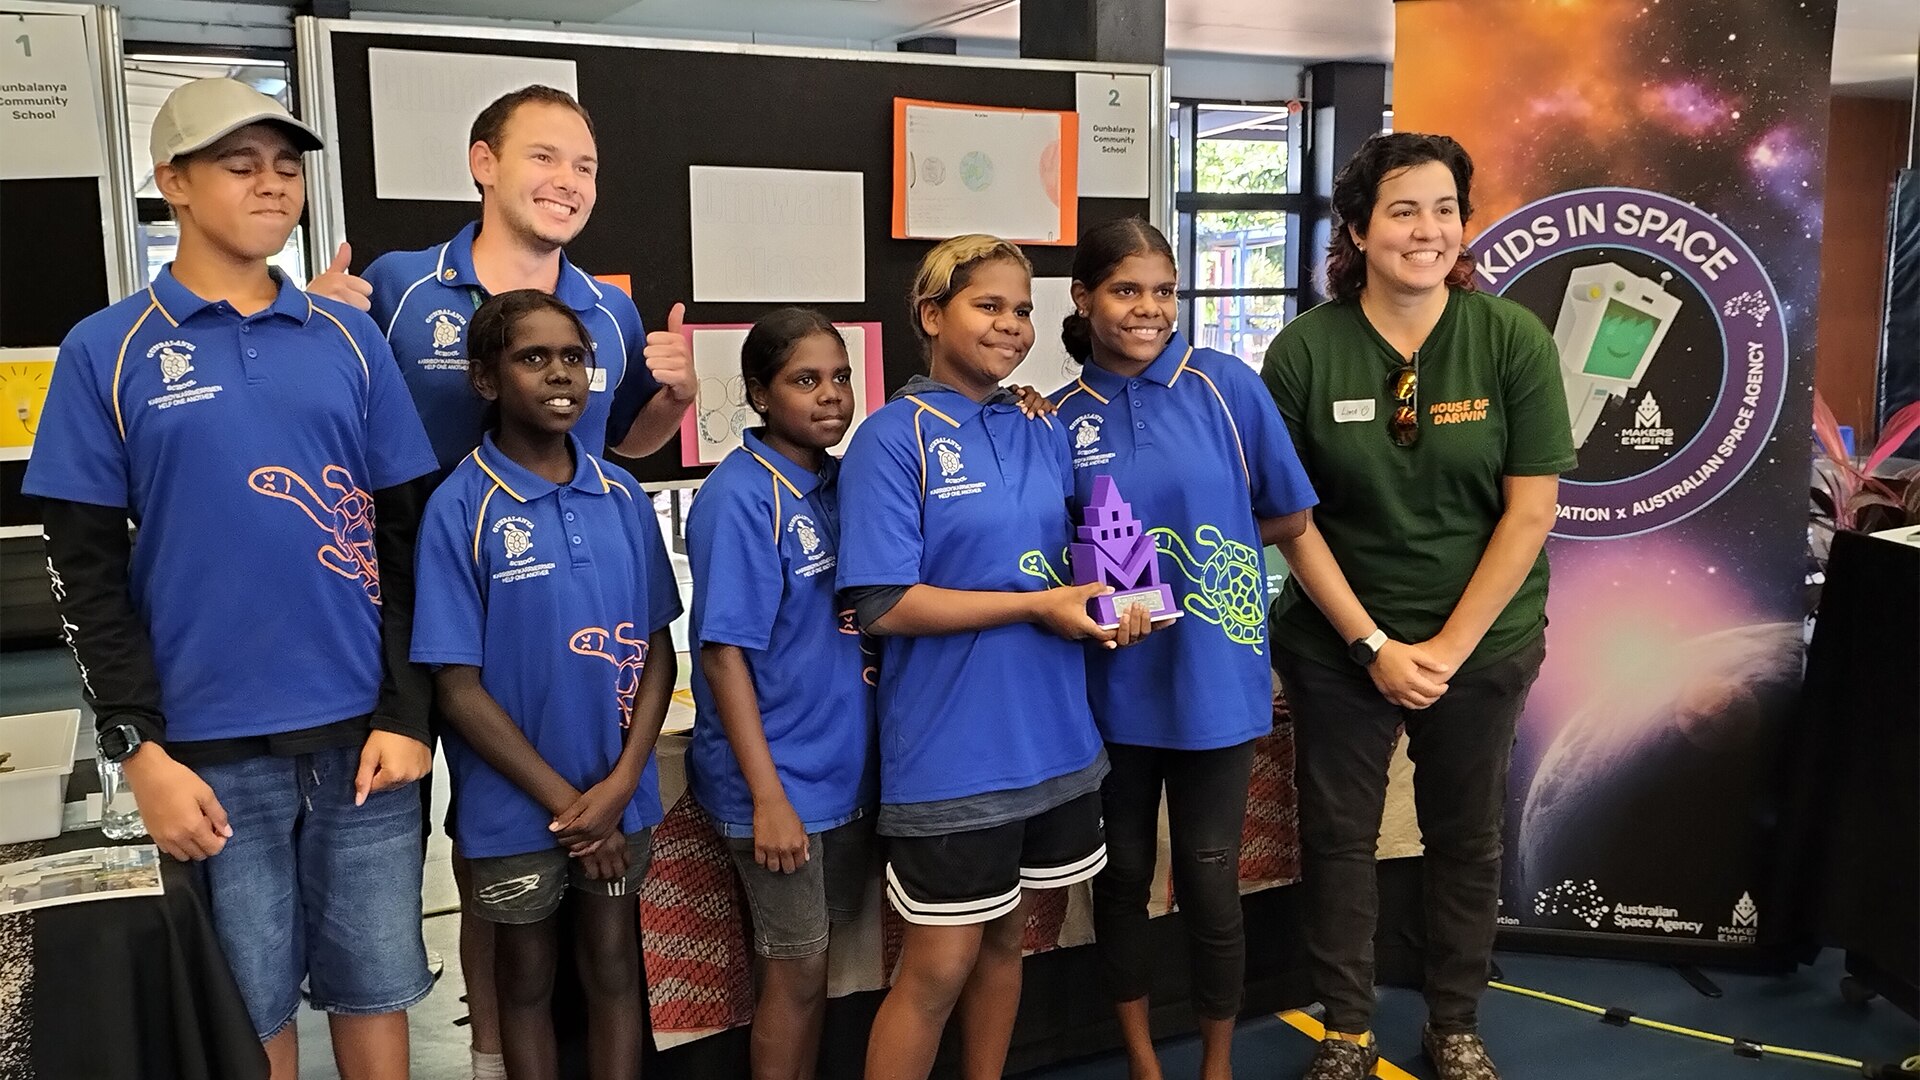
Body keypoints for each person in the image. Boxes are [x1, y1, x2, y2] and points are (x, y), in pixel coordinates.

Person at [25, 78, 439, 1080]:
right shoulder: (107, 349)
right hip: (206, 755)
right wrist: (140, 751)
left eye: (287, 166)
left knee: (378, 988)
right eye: (239, 163)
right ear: (172, 181)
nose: (272, 185)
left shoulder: (350, 341)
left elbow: (404, 542)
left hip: (362, 744)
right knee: (246, 1009)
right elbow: (83, 571)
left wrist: (407, 712)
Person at [306, 85, 693, 1079]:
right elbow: (331, 418)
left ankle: (500, 1051)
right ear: (484, 163)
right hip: (406, 608)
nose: (567, 182)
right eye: (545, 157)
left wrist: (677, 397)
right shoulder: (399, 283)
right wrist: (316, 325)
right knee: (466, 848)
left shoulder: (607, 308)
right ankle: (482, 1049)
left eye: (586, 166)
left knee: (545, 873)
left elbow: (627, 445)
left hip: (553, 613)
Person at [1260, 132, 1574, 1080]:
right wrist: (1371, 646)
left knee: (1466, 838)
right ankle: (1348, 1029)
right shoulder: (1306, 351)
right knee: (1340, 839)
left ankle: (1455, 1025)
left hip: (1482, 643)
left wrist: (1442, 650)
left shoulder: (1509, 338)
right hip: (1337, 643)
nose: (1427, 229)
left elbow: (1530, 513)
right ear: (1356, 228)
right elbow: (1288, 518)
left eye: (1445, 209)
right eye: (1402, 209)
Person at [836, 234, 1153, 1080]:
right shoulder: (890, 439)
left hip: (1052, 740)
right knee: (936, 968)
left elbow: (1084, 559)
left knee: (1010, 941)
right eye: (988, 306)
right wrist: (1040, 606)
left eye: (1023, 310)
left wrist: (1118, 604)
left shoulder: (1035, 422)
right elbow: (886, 604)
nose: (1012, 325)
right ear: (932, 315)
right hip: (952, 753)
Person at [1053, 218, 1318, 1080]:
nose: (1150, 310)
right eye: (1127, 290)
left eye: (1164, 292)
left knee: (1210, 879)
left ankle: (1215, 1065)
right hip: (1111, 688)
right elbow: (1050, 553)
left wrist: (1214, 559)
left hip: (1214, 680)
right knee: (1123, 877)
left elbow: (1286, 514)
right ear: (1083, 298)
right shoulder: (1053, 419)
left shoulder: (1227, 387)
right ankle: (1142, 1062)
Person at [411, 289, 681, 1080]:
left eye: (574, 357)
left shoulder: (622, 495)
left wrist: (622, 785)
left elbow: (657, 648)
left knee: (612, 970)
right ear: (487, 379)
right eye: (533, 358)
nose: (560, 374)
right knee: (525, 982)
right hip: (516, 812)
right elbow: (456, 687)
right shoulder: (461, 506)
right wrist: (571, 810)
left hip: (617, 799)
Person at [686, 308, 877, 1080]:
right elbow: (725, 653)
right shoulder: (740, 497)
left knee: (813, 970)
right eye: (805, 380)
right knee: (795, 975)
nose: (831, 395)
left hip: (840, 773)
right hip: (779, 784)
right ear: (760, 395)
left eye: (840, 377)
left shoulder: (841, 479)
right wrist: (768, 797)